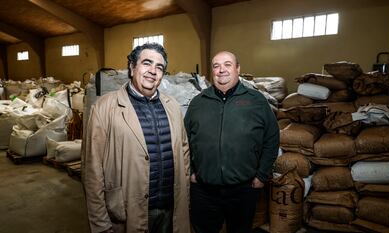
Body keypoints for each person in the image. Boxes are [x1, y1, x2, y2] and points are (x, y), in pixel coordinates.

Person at [82, 43, 191, 233]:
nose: (152, 71)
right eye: (146, 63)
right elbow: (92, 169)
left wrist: (185, 199)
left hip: (170, 208)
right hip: (129, 209)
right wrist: (100, 223)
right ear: (132, 68)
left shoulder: (172, 106)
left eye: (159, 67)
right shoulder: (104, 107)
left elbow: (184, 153)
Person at [184, 51, 279, 233]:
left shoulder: (256, 100)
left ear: (237, 69)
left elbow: (272, 138)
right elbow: (185, 140)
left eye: (227, 64)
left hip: (243, 190)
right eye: (216, 66)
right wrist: (192, 172)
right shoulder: (198, 102)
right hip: (204, 191)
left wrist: (261, 175)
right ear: (212, 71)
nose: (221, 70)